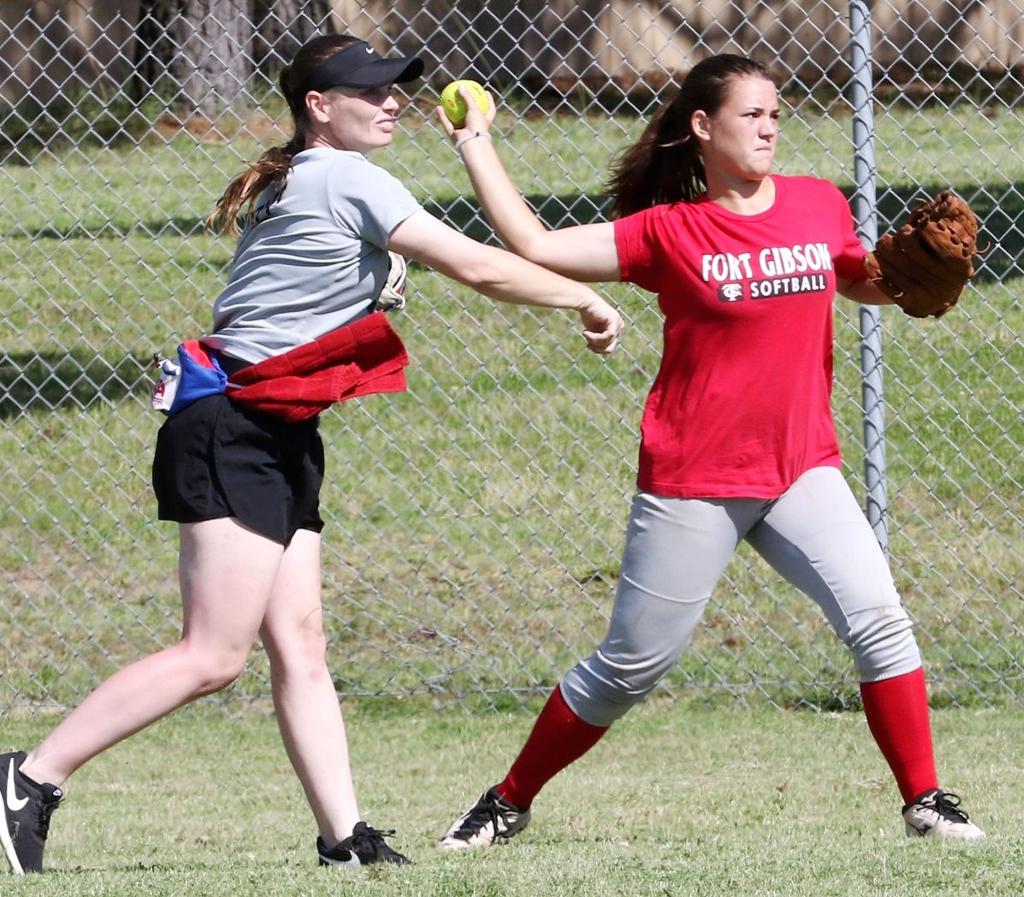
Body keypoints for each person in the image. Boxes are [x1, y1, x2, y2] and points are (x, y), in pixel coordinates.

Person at [0, 34, 623, 876]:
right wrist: (581, 295)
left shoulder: (310, 173)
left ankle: (346, 838)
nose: (393, 100)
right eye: (370, 90)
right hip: (236, 422)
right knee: (213, 654)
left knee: (300, 642)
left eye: (399, 87)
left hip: (275, 422)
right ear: (318, 108)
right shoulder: (342, 175)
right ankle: (29, 778)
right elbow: (476, 266)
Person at [435, 53, 985, 849]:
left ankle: (925, 800)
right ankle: (508, 798)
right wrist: (475, 141)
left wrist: (906, 280)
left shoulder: (814, 203)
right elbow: (534, 242)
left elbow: (855, 277)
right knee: (630, 665)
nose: (768, 128)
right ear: (702, 126)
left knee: (880, 621)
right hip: (697, 476)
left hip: (800, 466)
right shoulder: (668, 231)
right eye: (750, 115)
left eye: (774, 115)